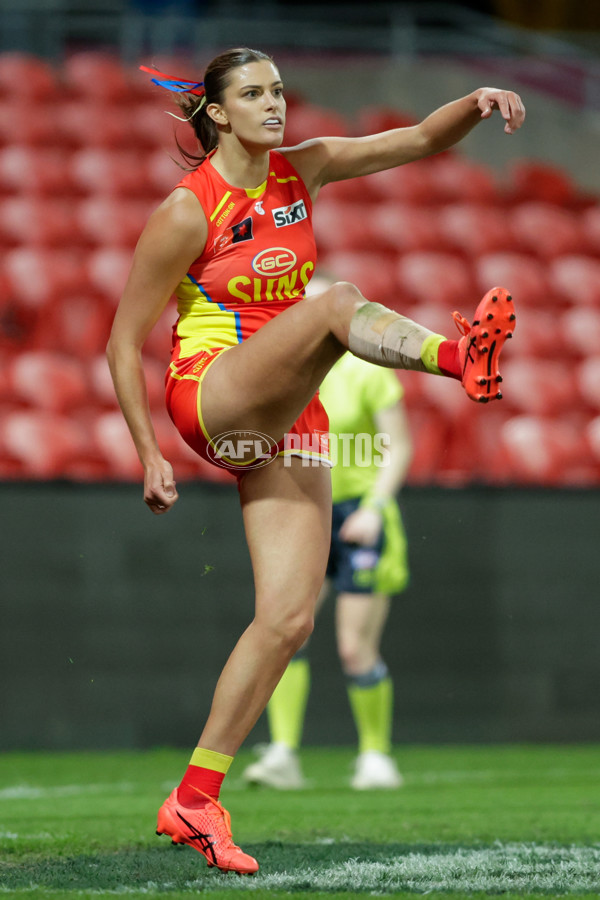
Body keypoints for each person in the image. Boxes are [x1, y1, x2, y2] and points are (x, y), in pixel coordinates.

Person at [106, 46, 523, 874]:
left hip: (285, 408)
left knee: (289, 619)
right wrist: (148, 453)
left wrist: (471, 101)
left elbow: (414, 142)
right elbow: (121, 342)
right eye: (254, 94)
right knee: (335, 302)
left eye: (280, 90)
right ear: (218, 113)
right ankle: (457, 359)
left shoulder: (307, 168)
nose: (275, 104)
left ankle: (194, 800)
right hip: (214, 391)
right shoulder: (189, 209)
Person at [243, 275, 412, 791]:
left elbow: (398, 445)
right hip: (306, 510)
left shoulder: (367, 371)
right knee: (282, 631)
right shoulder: (288, 374)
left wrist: (375, 508)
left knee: (352, 646)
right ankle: (284, 753)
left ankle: (376, 756)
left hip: (359, 512)